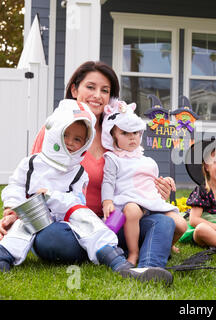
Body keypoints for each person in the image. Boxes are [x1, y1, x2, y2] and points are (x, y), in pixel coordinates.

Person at [0, 61, 175, 284]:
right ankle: (105, 250)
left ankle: (147, 268)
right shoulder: (55, 131)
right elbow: (29, 181)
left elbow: (135, 178)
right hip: (68, 225)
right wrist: (11, 212)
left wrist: (156, 191)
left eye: (105, 90)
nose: (97, 95)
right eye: (90, 87)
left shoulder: (118, 133)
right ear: (75, 90)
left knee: (162, 223)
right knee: (50, 238)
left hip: (114, 221)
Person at [0, 99, 133, 274]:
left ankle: (115, 260)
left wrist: (52, 196)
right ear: (54, 132)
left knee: (86, 220)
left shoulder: (78, 172)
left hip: (65, 220)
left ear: (85, 142)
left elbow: (77, 201)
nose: (70, 142)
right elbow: (16, 185)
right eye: (65, 135)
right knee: (20, 227)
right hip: (34, 216)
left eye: (77, 139)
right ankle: (4, 257)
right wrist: (12, 209)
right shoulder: (32, 163)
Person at [101, 99, 187, 264]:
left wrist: (165, 181)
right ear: (113, 136)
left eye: (135, 133)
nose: (131, 137)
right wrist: (107, 201)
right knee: (132, 211)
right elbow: (108, 182)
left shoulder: (147, 160)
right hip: (130, 200)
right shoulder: (113, 158)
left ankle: (167, 245)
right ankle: (134, 252)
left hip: (151, 203)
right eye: (124, 133)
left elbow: (152, 183)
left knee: (181, 224)